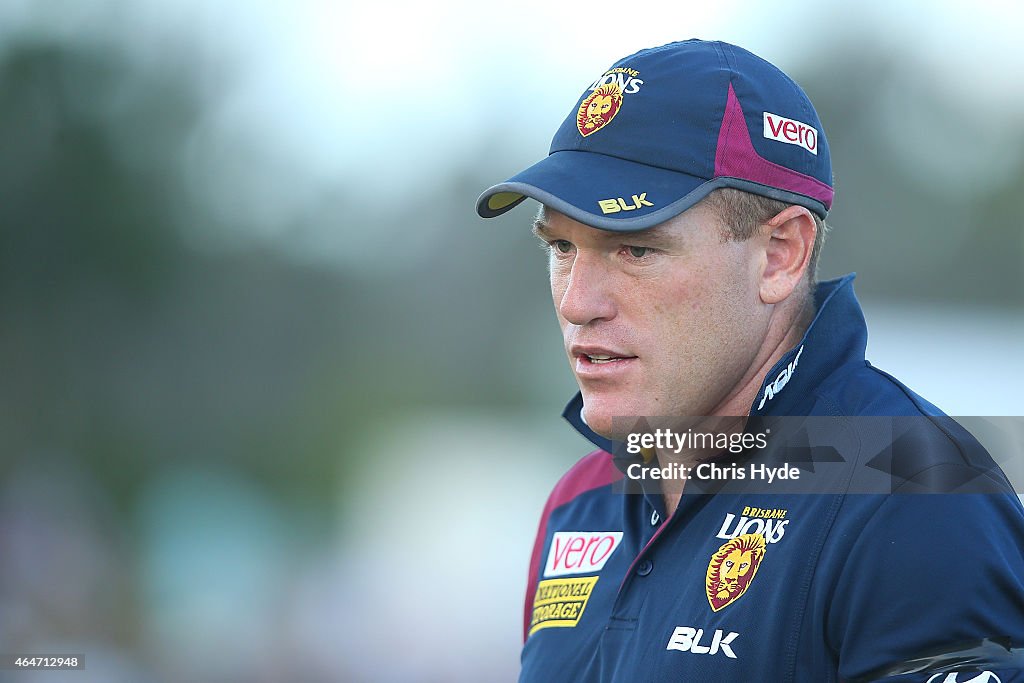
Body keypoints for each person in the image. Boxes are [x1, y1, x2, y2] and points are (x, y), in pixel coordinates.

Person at [475, 39, 1024, 682]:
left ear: (780, 254)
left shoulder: (912, 495)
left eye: (635, 250)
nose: (577, 302)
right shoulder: (580, 500)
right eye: (562, 246)